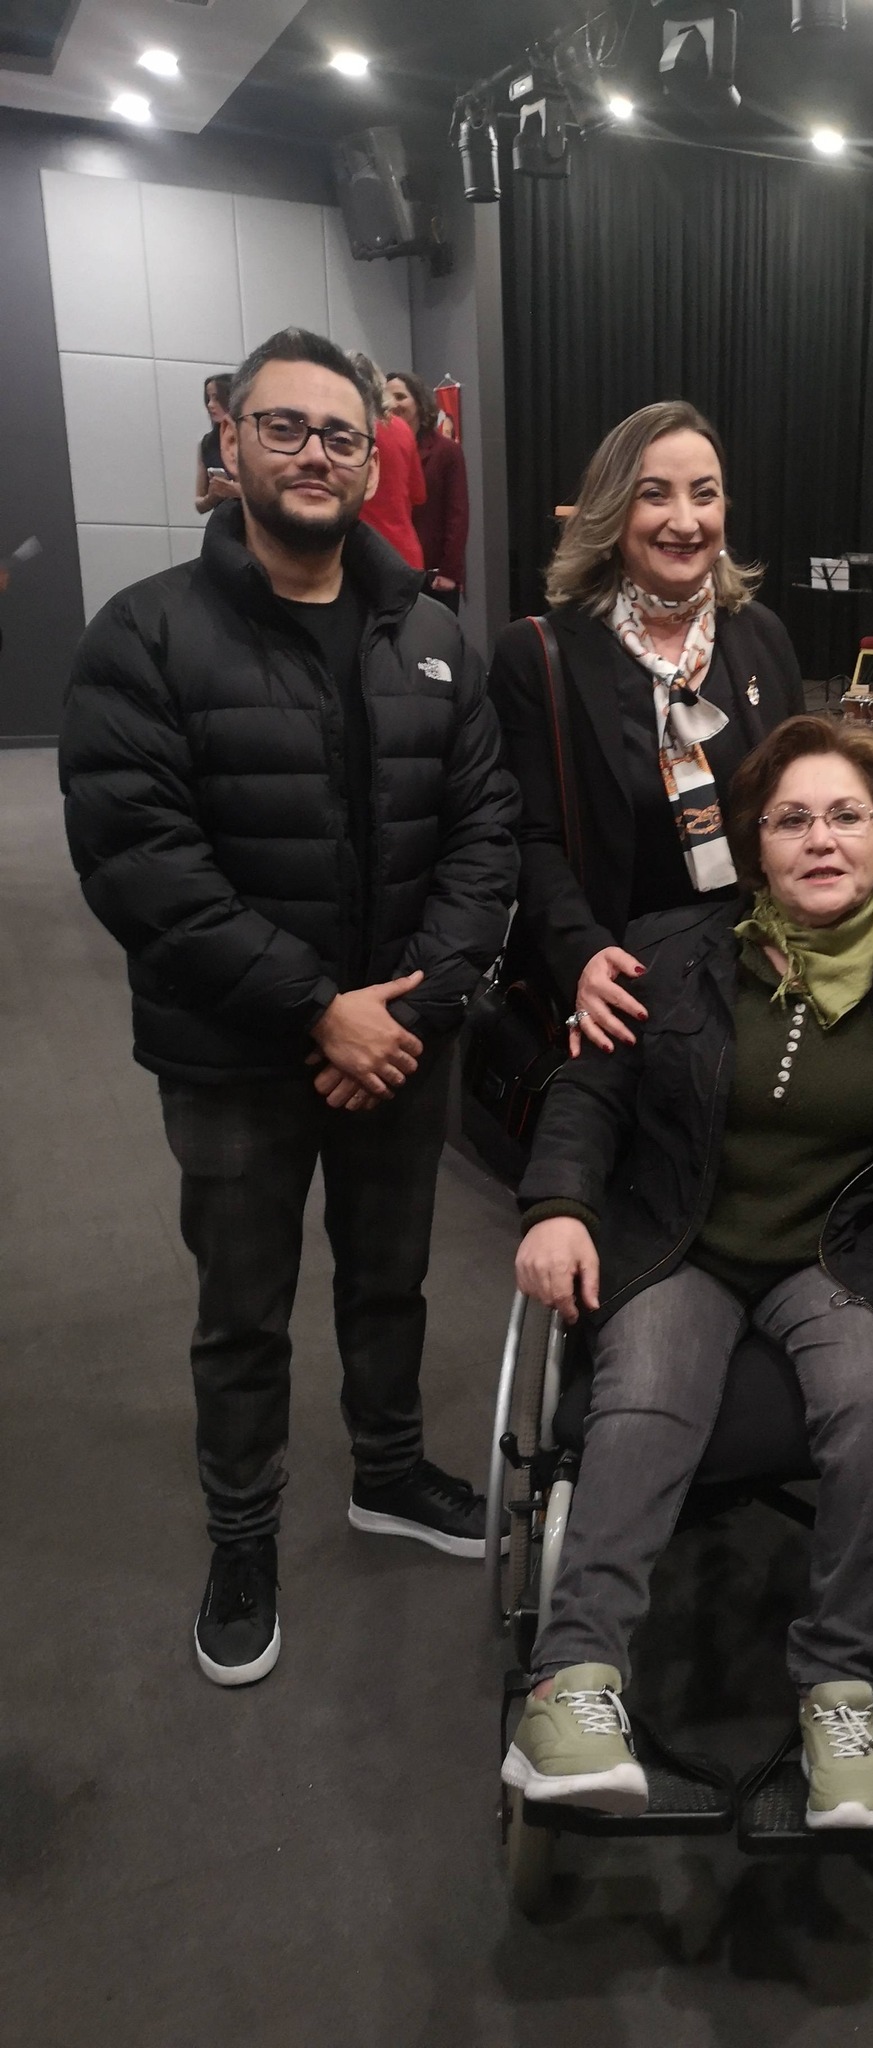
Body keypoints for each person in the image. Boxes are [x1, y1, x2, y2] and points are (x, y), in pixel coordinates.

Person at [59, 325, 520, 1690]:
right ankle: (243, 1535)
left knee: (390, 1280)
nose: (316, 453)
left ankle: (389, 1470)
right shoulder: (144, 632)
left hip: (401, 1044)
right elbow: (142, 865)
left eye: (341, 434)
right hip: (235, 1055)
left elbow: (484, 834)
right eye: (285, 427)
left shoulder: (429, 635)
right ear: (231, 440)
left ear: (371, 458)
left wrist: (409, 1012)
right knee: (242, 1310)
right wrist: (323, 1011)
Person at [502, 716, 873, 1826]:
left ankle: (841, 1685)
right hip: (680, 1238)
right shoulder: (667, 950)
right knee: (645, 1389)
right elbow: (589, 1093)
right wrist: (558, 1206)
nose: (821, 839)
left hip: (839, 1249)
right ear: (754, 844)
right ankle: (572, 1680)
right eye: (792, 819)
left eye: (847, 816)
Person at [488, 399, 803, 1060]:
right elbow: (530, 838)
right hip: (614, 989)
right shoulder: (537, 655)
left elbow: (796, 805)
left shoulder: (762, 637)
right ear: (612, 511)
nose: (684, 521)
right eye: (654, 494)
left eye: (704, 495)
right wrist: (582, 955)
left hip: (748, 980)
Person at [385, 370, 469, 613]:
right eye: (387, 398)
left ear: (419, 402)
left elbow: (457, 515)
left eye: (401, 396)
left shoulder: (447, 451)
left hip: (433, 575)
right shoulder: (379, 448)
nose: (393, 404)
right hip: (390, 570)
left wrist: (450, 571)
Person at [350, 351, 426, 570]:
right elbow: (418, 494)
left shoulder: (351, 431)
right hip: (405, 554)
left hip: (365, 555)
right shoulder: (402, 428)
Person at [193, 373, 240, 517]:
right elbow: (199, 503)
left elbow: (274, 494)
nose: (210, 405)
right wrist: (212, 497)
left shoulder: (255, 438)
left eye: (216, 398)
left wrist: (236, 491)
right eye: (208, 399)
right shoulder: (207, 443)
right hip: (222, 521)